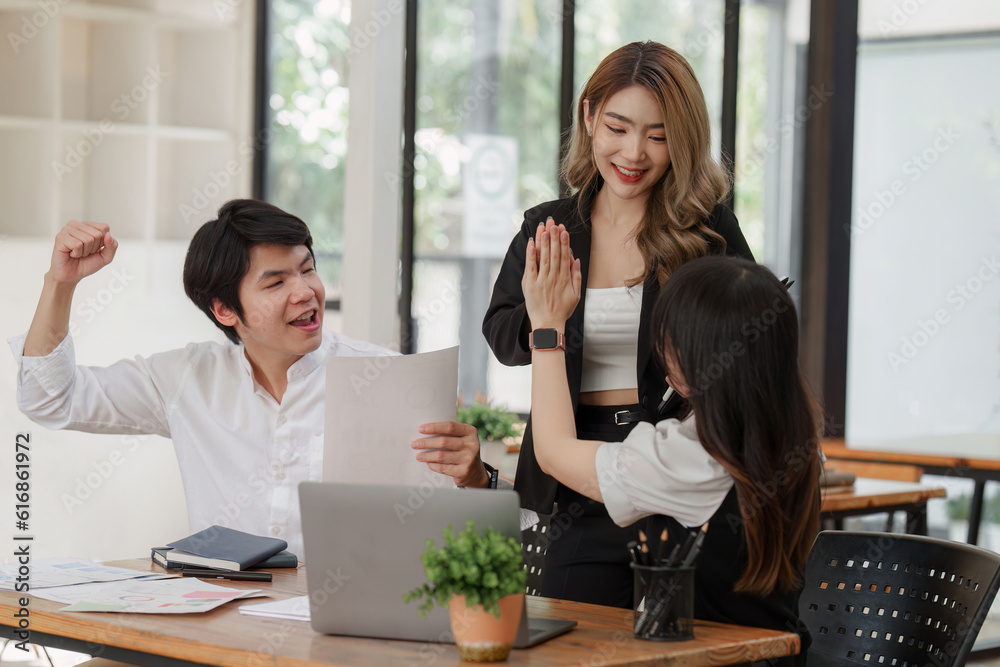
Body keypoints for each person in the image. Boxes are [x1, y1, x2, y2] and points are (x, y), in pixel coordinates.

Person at [11, 199, 491, 558]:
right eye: (276, 282)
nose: (305, 293)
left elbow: (459, 538)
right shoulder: (186, 379)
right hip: (216, 621)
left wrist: (476, 477)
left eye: (308, 270)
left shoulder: (385, 378)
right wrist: (61, 283)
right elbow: (51, 399)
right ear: (224, 309)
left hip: (343, 629)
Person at [483, 40, 754, 607]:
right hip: (572, 470)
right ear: (589, 117)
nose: (634, 153)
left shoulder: (706, 230)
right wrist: (544, 315)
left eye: (658, 136)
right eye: (618, 127)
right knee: (570, 635)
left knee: (676, 637)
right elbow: (501, 334)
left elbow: (749, 334)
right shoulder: (550, 226)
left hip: (671, 458)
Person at [523, 232, 820, 664]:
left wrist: (546, 326)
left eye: (668, 343)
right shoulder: (790, 429)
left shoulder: (696, 454)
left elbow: (552, 453)